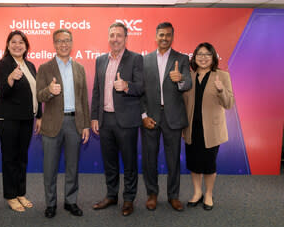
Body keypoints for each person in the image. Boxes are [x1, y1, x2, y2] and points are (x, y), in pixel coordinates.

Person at [91, 22, 143, 216]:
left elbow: (141, 87)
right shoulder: (100, 60)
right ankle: (111, 195)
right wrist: (94, 116)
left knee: (129, 162)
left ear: (126, 38)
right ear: (108, 38)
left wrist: (127, 86)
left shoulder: (136, 59)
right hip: (105, 120)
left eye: (119, 35)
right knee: (109, 162)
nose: (115, 39)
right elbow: (96, 89)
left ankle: (128, 199)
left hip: (127, 121)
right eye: (112, 35)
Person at [36, 29, 90, 218]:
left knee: (72, 167)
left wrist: (85, 125)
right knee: (49, 167)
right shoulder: (44, 68)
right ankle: (50, 204)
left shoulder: (80, 68)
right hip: (51, 125)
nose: (63, 44)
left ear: (72, 43)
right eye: (59, 41)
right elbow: (39, 95)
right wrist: (49, 90)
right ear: (54, 44)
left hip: (74, 123)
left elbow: (84, 99)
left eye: (67, 40)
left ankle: (70, 201)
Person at [141, 22, 192, 212]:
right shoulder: (144, 60)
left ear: (172, 37)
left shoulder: (182, 59)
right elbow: (140, 92)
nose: (164, 38)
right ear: (156, 37)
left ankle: (173, 196)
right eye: (161, 35)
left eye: (168, 35)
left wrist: (180, 80)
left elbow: (188, 84)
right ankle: (152, 194)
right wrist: (144, 115)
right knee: (149, 159)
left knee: (173, 160)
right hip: (151, 118)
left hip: (173, 117)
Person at [0, 30, 42, 212]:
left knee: (22, 158)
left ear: (26, 46)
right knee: (10, 158)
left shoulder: (30, 65)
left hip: (27, 119)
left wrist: (39, 116)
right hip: (8, 119)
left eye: (21, 42)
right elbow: (3, 92)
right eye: (13, 42)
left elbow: (36, 93)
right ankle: (10, 195)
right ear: (8, 45)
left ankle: (20, 192)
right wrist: (11, 79)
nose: (17, 45)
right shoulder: (3, 64)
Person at [183, 42, 234, 211]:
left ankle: (209, 194)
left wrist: (221, 90)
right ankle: (197, 193)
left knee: (209, 164)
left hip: (211, 129)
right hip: (192, 128)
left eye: (207, 54)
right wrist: (183, 128)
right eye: (200, 54)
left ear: (213, 57)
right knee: (194, 163)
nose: (203, 58)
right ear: (194, 58)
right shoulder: (188, 77)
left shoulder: (222, 76)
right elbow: (183, 104)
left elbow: (229, 104)